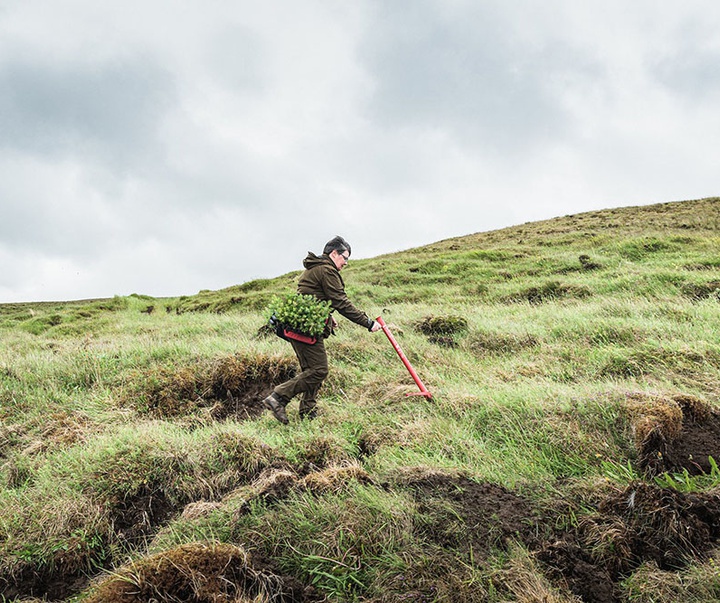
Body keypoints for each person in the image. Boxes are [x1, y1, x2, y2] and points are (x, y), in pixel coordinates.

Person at [263, 235, 382, 423]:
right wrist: (368, 323)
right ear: (334, 253)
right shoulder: (327, 270)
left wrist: (328, 315)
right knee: (319, 370)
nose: (346, 263)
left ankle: (308, 412)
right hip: (305, 330)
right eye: (345, 258)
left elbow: (310, 296)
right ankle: (278, 397)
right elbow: (341, 302)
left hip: (299, 327)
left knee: (311, 369)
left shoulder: (315, 268)